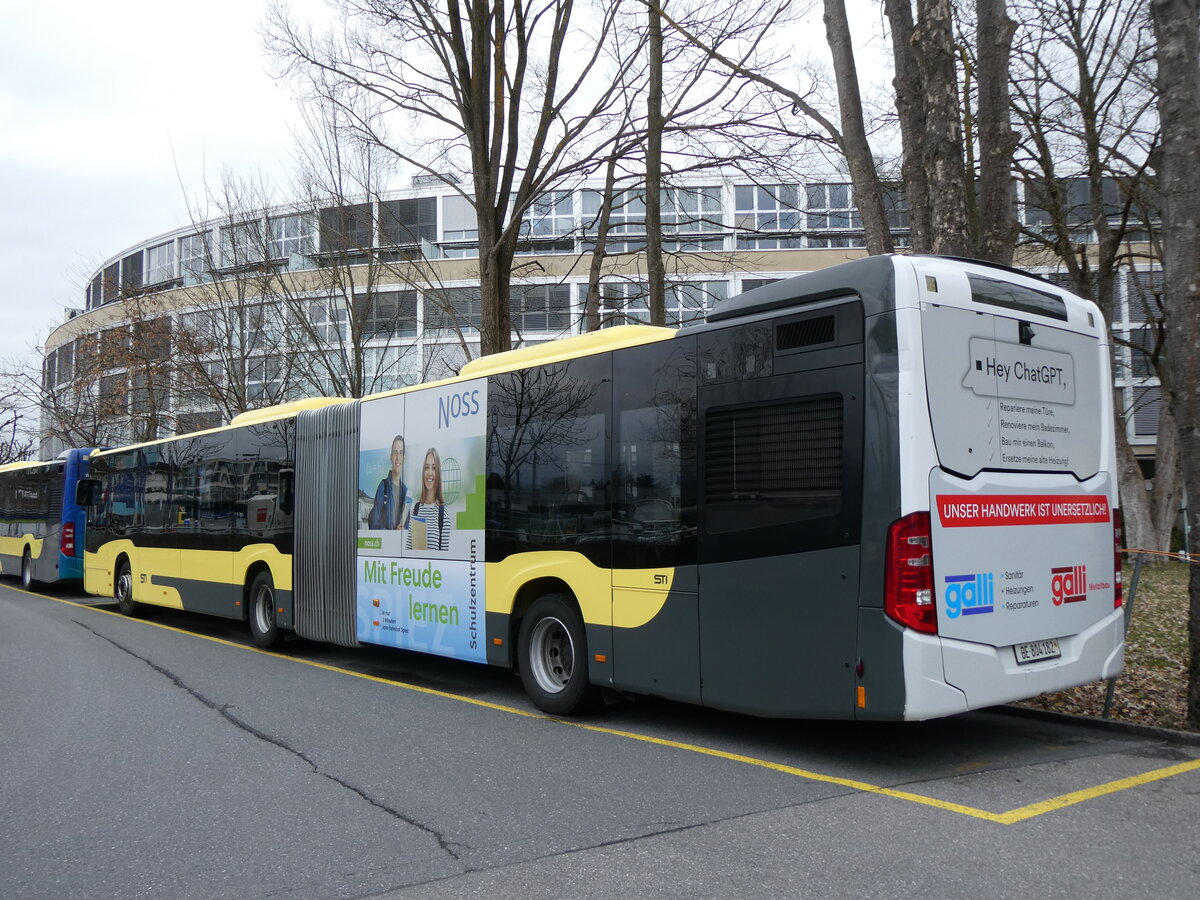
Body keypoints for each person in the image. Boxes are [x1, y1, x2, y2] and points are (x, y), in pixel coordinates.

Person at [406, 447, 451, 551]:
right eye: (426, 467)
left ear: (438, 473)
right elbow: (408, 549)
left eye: (434, 468)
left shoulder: (443, 514)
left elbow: (444, 559)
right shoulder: (415, 510)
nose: (430, 472)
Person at [368, 435, 411, 530]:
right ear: (391, 457)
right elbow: (374, 525)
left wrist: (403, 531)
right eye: (395, 453)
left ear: (404, 458)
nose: (398, 457)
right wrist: (392, 533)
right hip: (386, 543)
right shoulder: (383, 487)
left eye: (401, 453)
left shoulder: (405, 492)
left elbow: (407, 525)